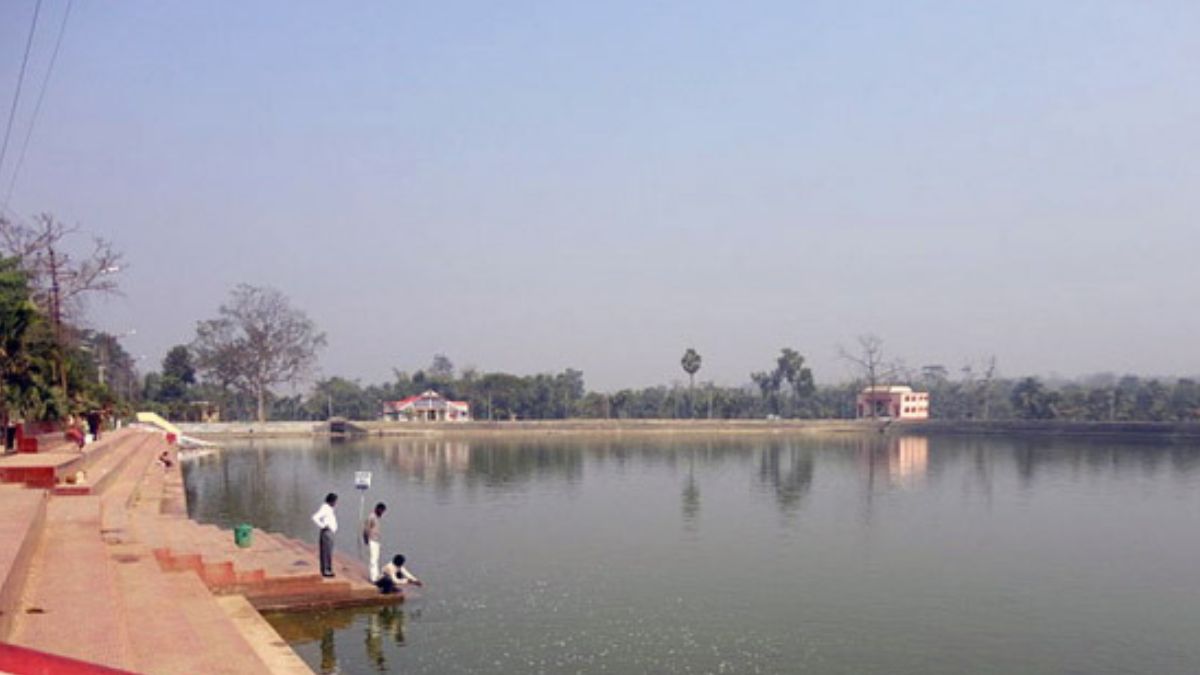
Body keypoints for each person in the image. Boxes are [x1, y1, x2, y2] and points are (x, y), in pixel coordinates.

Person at [311, 492, 339, 577]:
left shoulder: (329, 509)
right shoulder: (325, 508)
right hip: (326, 532)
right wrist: (323, 526)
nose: (336, 503)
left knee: (329, 551)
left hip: (330, 532)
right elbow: (315, 517)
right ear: (331, 501)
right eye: (335, 501)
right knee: (326, 551)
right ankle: (326, 570)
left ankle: (328, 569)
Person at [362, 502, 387, 582]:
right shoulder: (371, 517)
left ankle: (376, 575)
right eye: (382, 511)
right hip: (371, 540)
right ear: (377, 509)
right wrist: (366, 540)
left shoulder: (377, 518)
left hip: (376, 541)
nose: (382, 513)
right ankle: (373, 578)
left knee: (376, 558)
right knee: (373, 559)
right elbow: (366, 529)